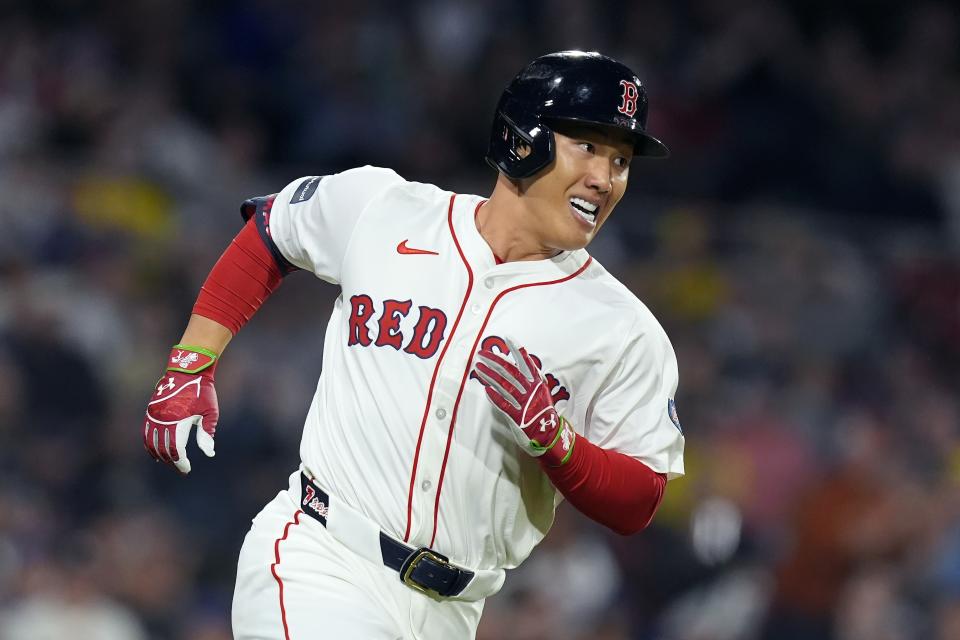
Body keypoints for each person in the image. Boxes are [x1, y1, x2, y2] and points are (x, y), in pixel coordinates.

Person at [142, 50, 686, 639]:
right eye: (588, 147)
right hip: (322, 560)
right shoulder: (389, 210)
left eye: (621, 161)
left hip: (454, 612)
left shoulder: (622, 329)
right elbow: (272, 234)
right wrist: (190, 365)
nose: (605, 179)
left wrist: (558, 443)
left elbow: (639, 499)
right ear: (523, 138)